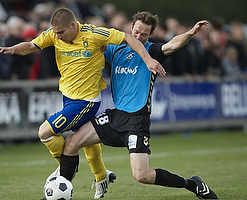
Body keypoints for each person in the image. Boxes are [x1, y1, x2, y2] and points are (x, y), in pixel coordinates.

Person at [0, 8, 165, 199]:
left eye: (61, 32)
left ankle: (64, 172)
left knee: (45, 133)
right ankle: (102, 175)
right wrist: (13, 49)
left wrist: (148, 59)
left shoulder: (94, 34)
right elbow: (31, 46)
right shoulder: (54, 34)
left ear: (73, 25)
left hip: (86, 101)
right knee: (83, 139)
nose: (57, 37)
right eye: (55, 32)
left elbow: (128, 38)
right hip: (68, 96)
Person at [59, 11, 218, 199]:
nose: (139, 37)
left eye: (144, 34)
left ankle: (192, 184)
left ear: (150, 35)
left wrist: (191, 33)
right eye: (136, 32)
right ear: (131, 28)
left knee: (142, 175)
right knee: (70, 144)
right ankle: (61, 192)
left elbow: (173, 44)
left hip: (137, 120)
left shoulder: (152, 52)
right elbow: (94, 44)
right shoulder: (116, 49)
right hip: (115, 116)